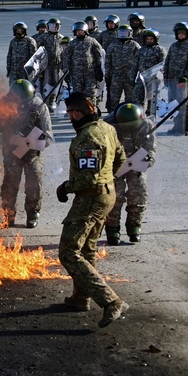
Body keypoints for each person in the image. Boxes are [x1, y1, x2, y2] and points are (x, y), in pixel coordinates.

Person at [56, 92, 128, 328]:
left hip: (91, 197)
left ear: (77, 113)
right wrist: (107, 179)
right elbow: (120, 159)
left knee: (69, 252)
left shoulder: (88, 137)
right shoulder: (107, 128)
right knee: (87, 249)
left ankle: (111, 301)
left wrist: (66, 187)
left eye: (70, 113)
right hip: (106, 194)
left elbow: (87, 177)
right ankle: (80, 298)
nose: (69, 117)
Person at [0, 80, 53, 228]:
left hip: (33, 151)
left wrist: (28, 141)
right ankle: (8, 214)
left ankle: (32, 213)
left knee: (34, 182)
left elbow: (48, 137)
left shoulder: (39, 106)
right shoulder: (5, 103)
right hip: (12, 149)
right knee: (10, 182)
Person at [105, 103, 156, 245]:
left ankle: (134, 226)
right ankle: (112, 228)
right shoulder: (107, 125)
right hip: (115, 164)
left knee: (139, 192)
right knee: (115, 196)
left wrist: (143, 161)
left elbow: (150, 151)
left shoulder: (147, 125)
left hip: (136, 161)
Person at [163, 21, 188, 135]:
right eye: (179, 33)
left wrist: (186, 77)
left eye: (183, 33)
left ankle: (187, 126)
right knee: (173, 103)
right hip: (172, 79)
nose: (181, 35)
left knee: (184, 104)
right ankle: (177, 126)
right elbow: (167, 61)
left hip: (183, 81)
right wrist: (165, 75)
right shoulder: (174, 46)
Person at [61, 21, 105, 101]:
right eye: (77, 31)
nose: (79, 33)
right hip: (76, 74)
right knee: (77, 94)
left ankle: (91, 110)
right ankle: (79, 111)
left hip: (90, 73)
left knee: (91, 93)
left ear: (85, 31)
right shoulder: (72, 44)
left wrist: (99, 68)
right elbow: (66, 58)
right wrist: (66, 72)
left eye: (81, 31)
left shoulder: (92, 41)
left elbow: (99, 55)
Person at [104, 24, 140, 112]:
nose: (123, 35)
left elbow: (140, 59)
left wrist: (138, 75)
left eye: (125, 33)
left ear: (130, 33)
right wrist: (107, 75)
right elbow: (108, 60)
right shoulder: (113, 45)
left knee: (130, 98)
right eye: (121, 33)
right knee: (114, 98)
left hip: (130, 77)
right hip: (116, 76)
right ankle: (113, 114)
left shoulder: (134, 45)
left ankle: (129, 115)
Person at [132, 28, 167, 114]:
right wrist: (132, 78)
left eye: (151, 39)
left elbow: (163, 65)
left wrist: (160, 78)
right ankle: (138, 114)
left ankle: (151, 115)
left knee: (153, 99)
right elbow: (134, 65)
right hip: (142, 78)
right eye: (147, 39)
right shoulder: (141, 50)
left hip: (154, 79)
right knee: (137, 97)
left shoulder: (159, 50)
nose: (149, 41)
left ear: (155, 39)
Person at [34, 18, 63, 112]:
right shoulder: (43, 37)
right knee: (43, 84)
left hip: (56, 66)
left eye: (55, 26)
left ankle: (51, 102)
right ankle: (42, 103)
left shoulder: (61, 38)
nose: (53, 28)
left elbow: (65, 51)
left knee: (54, 84)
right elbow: (36, 51)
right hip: (45, 66)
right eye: (51, 26)